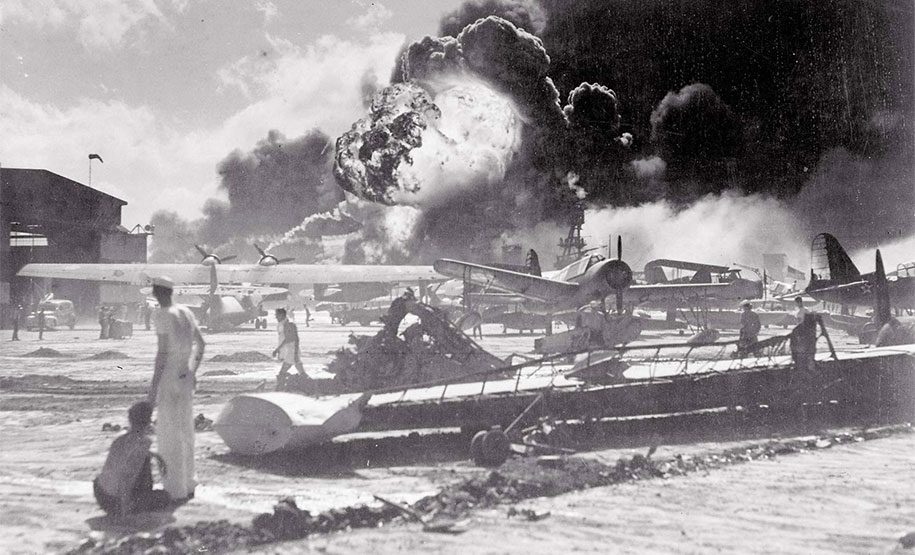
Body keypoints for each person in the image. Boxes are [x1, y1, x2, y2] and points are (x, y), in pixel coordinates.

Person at [148, 276, 205, 502]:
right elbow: (201, 344)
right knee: (186, 430)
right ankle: (189, 483)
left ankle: (174, 488)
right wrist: (192, 370)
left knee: (170, 432)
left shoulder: (162, 315)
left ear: (156, 293)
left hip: (170, 376)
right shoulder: (186, 312)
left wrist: (153, 388)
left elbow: (162, 354)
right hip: (185, 375)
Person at [94, 401, 171, 519]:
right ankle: (132, 504)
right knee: (164, 497)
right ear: (148, 422)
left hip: (102, 495)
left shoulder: (119, 440)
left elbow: (120, 462)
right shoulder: (143, 443)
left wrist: (154, 455)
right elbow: (127, 477)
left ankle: (131, 501)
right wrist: (125, 511)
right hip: (116, 503)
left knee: (144, 460)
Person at [272, 308, 306, 390]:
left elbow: (294, 339)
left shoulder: (289, 324)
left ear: (281, 315)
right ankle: (309, 385)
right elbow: (286, 339)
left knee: (282, 372)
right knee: (301, 372)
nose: (276, 317)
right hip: (290, 351)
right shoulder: (282, 324)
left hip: (292, 351)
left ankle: (279, 388)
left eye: (277, 315)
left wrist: (278, 349)